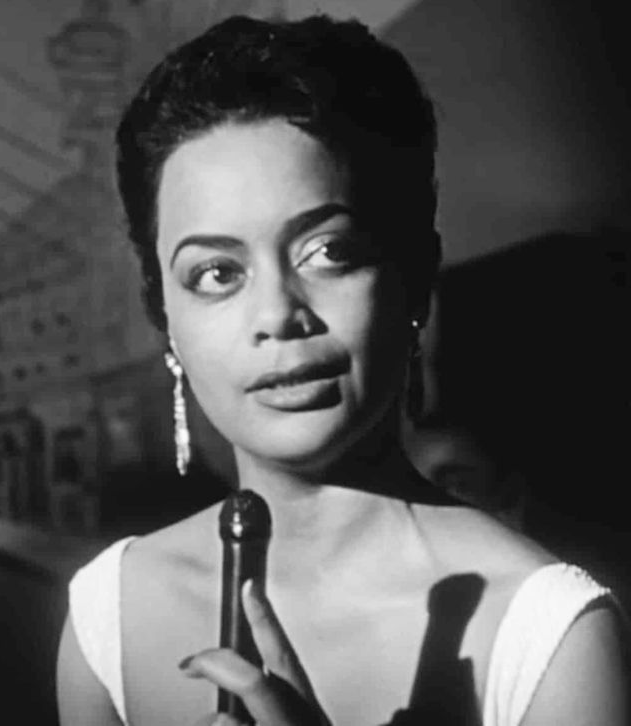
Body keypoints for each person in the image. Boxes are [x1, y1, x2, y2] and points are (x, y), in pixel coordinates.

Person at [56, 15, 629, 726]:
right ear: (164, 316)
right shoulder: (108, 613)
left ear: (414, 278)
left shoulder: (549, 636)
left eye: (329, 252)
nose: (278, 314)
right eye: (216, 273)